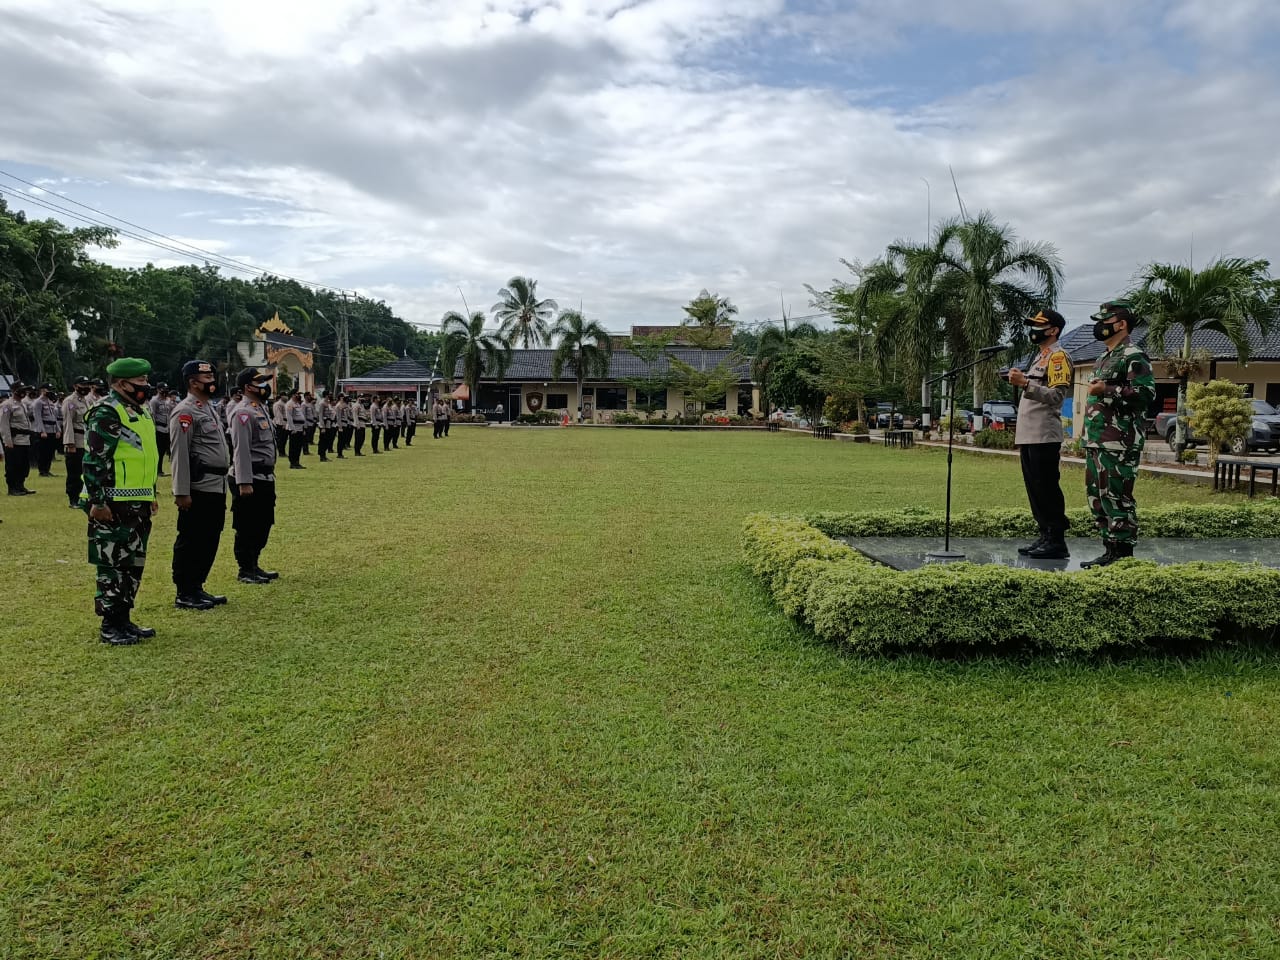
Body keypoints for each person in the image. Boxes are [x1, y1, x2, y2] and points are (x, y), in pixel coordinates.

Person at [81, 357, 162, 645]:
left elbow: (145, 457)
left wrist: (150, 493)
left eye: (145, 381)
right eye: (139, 383)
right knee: (112, 565)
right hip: (111, 504)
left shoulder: (140, 411)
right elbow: (94, 460)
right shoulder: (107, 412)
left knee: (132, 564)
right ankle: (109, 625)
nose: (145, 386)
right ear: (119, 383)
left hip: (137, 501)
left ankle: (124, 619)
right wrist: (97, 501)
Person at [1081, 300, 1156, 568]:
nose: (1099, 326)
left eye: (1105, 321)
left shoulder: (1133, 355)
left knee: (1116, 497)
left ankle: (1122, 555)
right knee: (1097, 497)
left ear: (1121, 324)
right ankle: (1109, 549)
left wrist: (1108, 391)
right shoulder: (1104, 357)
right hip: (1098, 439)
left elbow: (1146, 395)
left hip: (1120, 441)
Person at [1007, 309, 1074, 560]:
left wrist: (1025, 383)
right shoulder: (1040, 358)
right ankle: (1045, 534)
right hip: (1029, 435)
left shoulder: (1058, 358)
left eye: (1039, 326)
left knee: (1046, 487)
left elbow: (1056, 397)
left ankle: (1056, 539)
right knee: (1034, 488)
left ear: (1053, 330)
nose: (1033, 330)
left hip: (1044, 435)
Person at [169, 360, 231, 610]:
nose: (212, 382)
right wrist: (181, 491)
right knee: (192, 538)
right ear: (193, 382)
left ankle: (197, 586)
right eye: (206, 378)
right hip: (198, 486)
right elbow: (180, 453)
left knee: (210, 537)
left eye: (212, 377)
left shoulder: (208, 408)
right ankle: (185, 590)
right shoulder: (185, 411)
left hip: (217, 484)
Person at [229, 368, 280, 584]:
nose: (265, 387)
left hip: (265, 477)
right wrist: (244, 481)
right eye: (260, 383)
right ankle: (245, 569)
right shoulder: (243, 412)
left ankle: (255, 564)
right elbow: (240, 449)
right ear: (248, 387)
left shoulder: (259, 409)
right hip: (249, 478)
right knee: (247, 524)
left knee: (263, 522)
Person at [62, 376, 92, 507]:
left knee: (85, 471)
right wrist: (70, 443)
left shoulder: (86, 401)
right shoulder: (70, 401)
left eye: (87, 385)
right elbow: (67, 423)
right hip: (75, 440)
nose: (85, 387)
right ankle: (73, 498)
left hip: (86, 440)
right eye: (82, 385)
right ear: (75, 386)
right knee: (74, 472)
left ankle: (82, 497)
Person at [1, 382, 35, 496]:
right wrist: (7, 441)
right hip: (14, 440)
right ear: (14, 390)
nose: (23, 392)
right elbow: (4, 424)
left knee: (24, 465)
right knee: (13, 465)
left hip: (24, 439)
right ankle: (12, 488)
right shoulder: (7, 405)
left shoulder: (22, 404)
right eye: (21, 389)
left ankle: (20, 486)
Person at [32, 384, 61, 477]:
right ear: (43, 390)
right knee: (43, 451)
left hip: (52, 429)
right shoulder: (38, 402)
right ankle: (42, 470)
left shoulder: (50, 402)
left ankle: (47, 469)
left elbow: (54, 417)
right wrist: (42, 431)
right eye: (48, 389)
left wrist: (57, 430)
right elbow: (38, 418)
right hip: (44, 429)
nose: (50, 391)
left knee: (50, 451)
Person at [148, 385, 174, 477]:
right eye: (163, 389)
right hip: (159, 428)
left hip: (166, 429)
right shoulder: (154, 401)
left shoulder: (167, 400)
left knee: (163, 451)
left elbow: (170, 413)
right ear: (158, 389)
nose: (165, 391)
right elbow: (153, 415)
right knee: (158, 450)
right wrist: (153, 428)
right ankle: (157, 470)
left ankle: (160, 470)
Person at [285, 390, 307, 469]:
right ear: (293, 395)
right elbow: (289, 417)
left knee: (298, 446)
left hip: (300, 428)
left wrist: (303, 428)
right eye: (297, 394)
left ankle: (297, 462)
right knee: (293, 446)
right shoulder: (290, 404)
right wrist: (292, 428)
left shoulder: (297, 404)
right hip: (294, 428)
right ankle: (293, 463)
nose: (298, 395)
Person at [317, 392, 336, 462]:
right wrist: (322, 427)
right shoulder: (322, 403)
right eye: (329, 395)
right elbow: (320, 415)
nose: (330, 396)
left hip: (328, 423)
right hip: (324, 423)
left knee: (327, 440)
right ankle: (322, 456)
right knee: (323, 440)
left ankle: (324, 455)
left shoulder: (327, 403)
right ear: (326, 395)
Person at [336, 394, 353, 458]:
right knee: (340, 440)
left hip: (345, 423)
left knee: (344, 439)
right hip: (341, 424)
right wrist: (340, 426)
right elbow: (338, 417)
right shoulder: (339, 406)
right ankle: (339, 453)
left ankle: (341, 453)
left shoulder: (345, 405)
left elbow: (348, 415)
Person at [271, 392, 288, 456]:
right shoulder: (278, 404)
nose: (286, 397)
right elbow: (278, 415)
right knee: (280, 439)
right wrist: (282, 424)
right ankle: (281, 452)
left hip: (285, 423)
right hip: (279, 423)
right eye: (284, 396)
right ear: (281, 396)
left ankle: (283, 451)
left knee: (284, 439)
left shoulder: (285, 404)